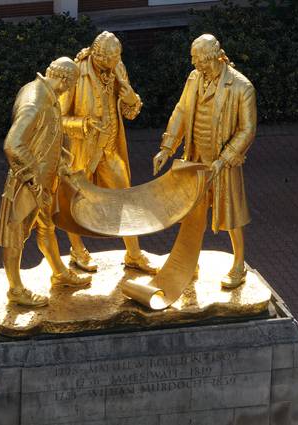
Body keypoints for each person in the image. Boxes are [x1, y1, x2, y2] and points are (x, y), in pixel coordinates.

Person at [152, 34, 257, 288]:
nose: (197, 66)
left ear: (214, 57)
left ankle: (239, 263)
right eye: (195, 61)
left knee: (232, 215)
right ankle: (190, 261)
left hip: (223, 163)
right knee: (192, 214)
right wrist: (167, 148)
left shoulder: (242, 87)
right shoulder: (194, 78)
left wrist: (225, 158)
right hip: (195, 159)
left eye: (200, 61)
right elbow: (182, 111)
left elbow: (247, 129)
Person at [0, 56, 91, 307]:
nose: (71, 89)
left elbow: (48, 136)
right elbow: (13, 144)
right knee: (15, 233)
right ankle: (15, 288)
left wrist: (61, 165)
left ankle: (59, 272)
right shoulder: (36, 101)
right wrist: (34, 179)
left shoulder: (45, 94)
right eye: (71, 83)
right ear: (64, 79)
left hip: (45, 181)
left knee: (46, 225)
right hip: (27, 183)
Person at [59, 31, 158, 274]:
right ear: (98, 55)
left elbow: (131, 112)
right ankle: (77, 250)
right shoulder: (75, 73)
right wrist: (83, 124)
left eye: (117, 59)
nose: (114, 65)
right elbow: (57, 118)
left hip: (110, 149)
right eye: (110, 60)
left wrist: (132, 98)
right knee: (74, 201)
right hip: (82, 150)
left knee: (125, 199)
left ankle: (133, 253)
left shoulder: (117, 68)